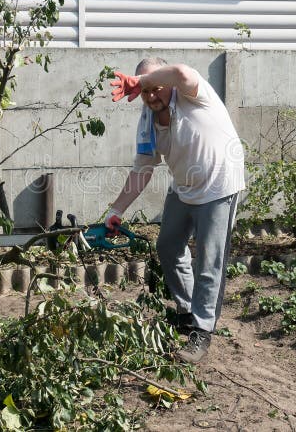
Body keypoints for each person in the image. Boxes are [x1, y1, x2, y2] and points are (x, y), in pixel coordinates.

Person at [104, 58, 245, 363]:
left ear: (165, 82)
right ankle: (187, 311)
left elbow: (181, 72)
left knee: (210, 260)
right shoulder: (148, 121)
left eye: (155, 88)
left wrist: (140, 81)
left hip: (220, 186)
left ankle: (202, 331)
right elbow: (142, 169)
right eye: (145, 92)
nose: (151, 96)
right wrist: (116, 210)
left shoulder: (194, 95)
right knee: (168, 245)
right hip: (184, 187)